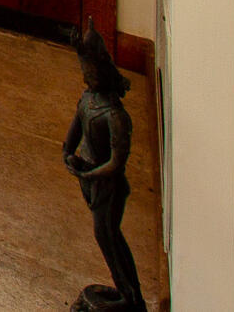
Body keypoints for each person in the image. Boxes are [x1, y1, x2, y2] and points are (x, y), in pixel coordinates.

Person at [60, 20, 145, 311]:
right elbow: (72, 136)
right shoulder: (87, 101)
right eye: (84, 71)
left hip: (106, 186)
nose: (86, 76)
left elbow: (116, 163)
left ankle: (130, 296)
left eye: (90, 71)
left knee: (107, 234)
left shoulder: (115, 116)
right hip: (90, 179)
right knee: (106, 235)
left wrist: (89, 172)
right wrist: (69, 156)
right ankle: (127, 293)